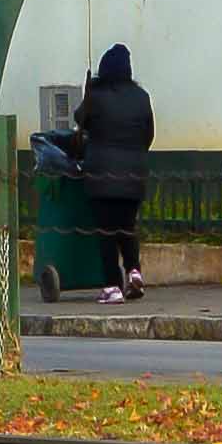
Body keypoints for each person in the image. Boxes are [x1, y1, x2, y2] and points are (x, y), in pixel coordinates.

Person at [68, 43, 153, 307]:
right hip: (134, 176)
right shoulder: (141, 97)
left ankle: (112, 286)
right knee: (127, 227)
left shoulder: (97, 96)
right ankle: (134, 271)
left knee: (106, 231)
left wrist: (89, 92)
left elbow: (80, 118)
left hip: (102, 175)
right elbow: (148, 134)